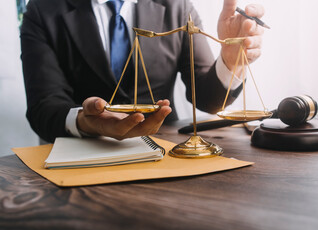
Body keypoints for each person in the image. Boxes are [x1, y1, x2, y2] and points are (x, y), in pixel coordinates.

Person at [21, 0, 265, 143]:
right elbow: (44, 105)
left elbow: (207, 98)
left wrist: (230, 62)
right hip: (84, 153)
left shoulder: (175, 5)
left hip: (164, 148)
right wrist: (85, 122)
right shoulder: (43, 9)